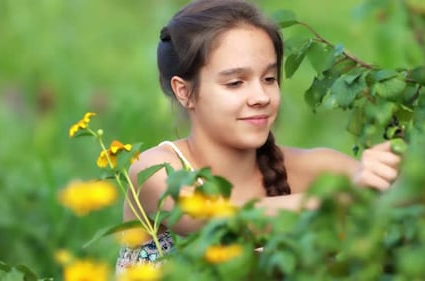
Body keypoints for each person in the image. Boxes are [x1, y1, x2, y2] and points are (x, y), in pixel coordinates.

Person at [116, 0, 401, 272]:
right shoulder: (154, 173)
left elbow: (414, 191)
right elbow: (222, 219)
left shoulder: (313, 168)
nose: (261, 97)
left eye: (269, 78)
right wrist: (341, 197)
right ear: (184, 91)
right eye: (235, 82)